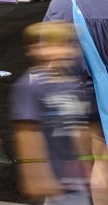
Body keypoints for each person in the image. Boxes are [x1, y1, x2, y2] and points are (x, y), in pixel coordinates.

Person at [44, 0, 108, 203]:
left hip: (72, 96)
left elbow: (48, 54)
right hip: (105, 97)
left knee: (72, 163)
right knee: (103, 161)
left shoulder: (60, 6)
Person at [10, 21, 91, 204]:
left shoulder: (74, 85)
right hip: (50, 187)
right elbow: (27, 133)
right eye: (53, 45)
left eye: (66, 45)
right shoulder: (30, 87)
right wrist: (37, 178)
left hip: (74, 183)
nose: (61, 51)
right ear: (37, 50)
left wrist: (86, 167)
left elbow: (81, 131)